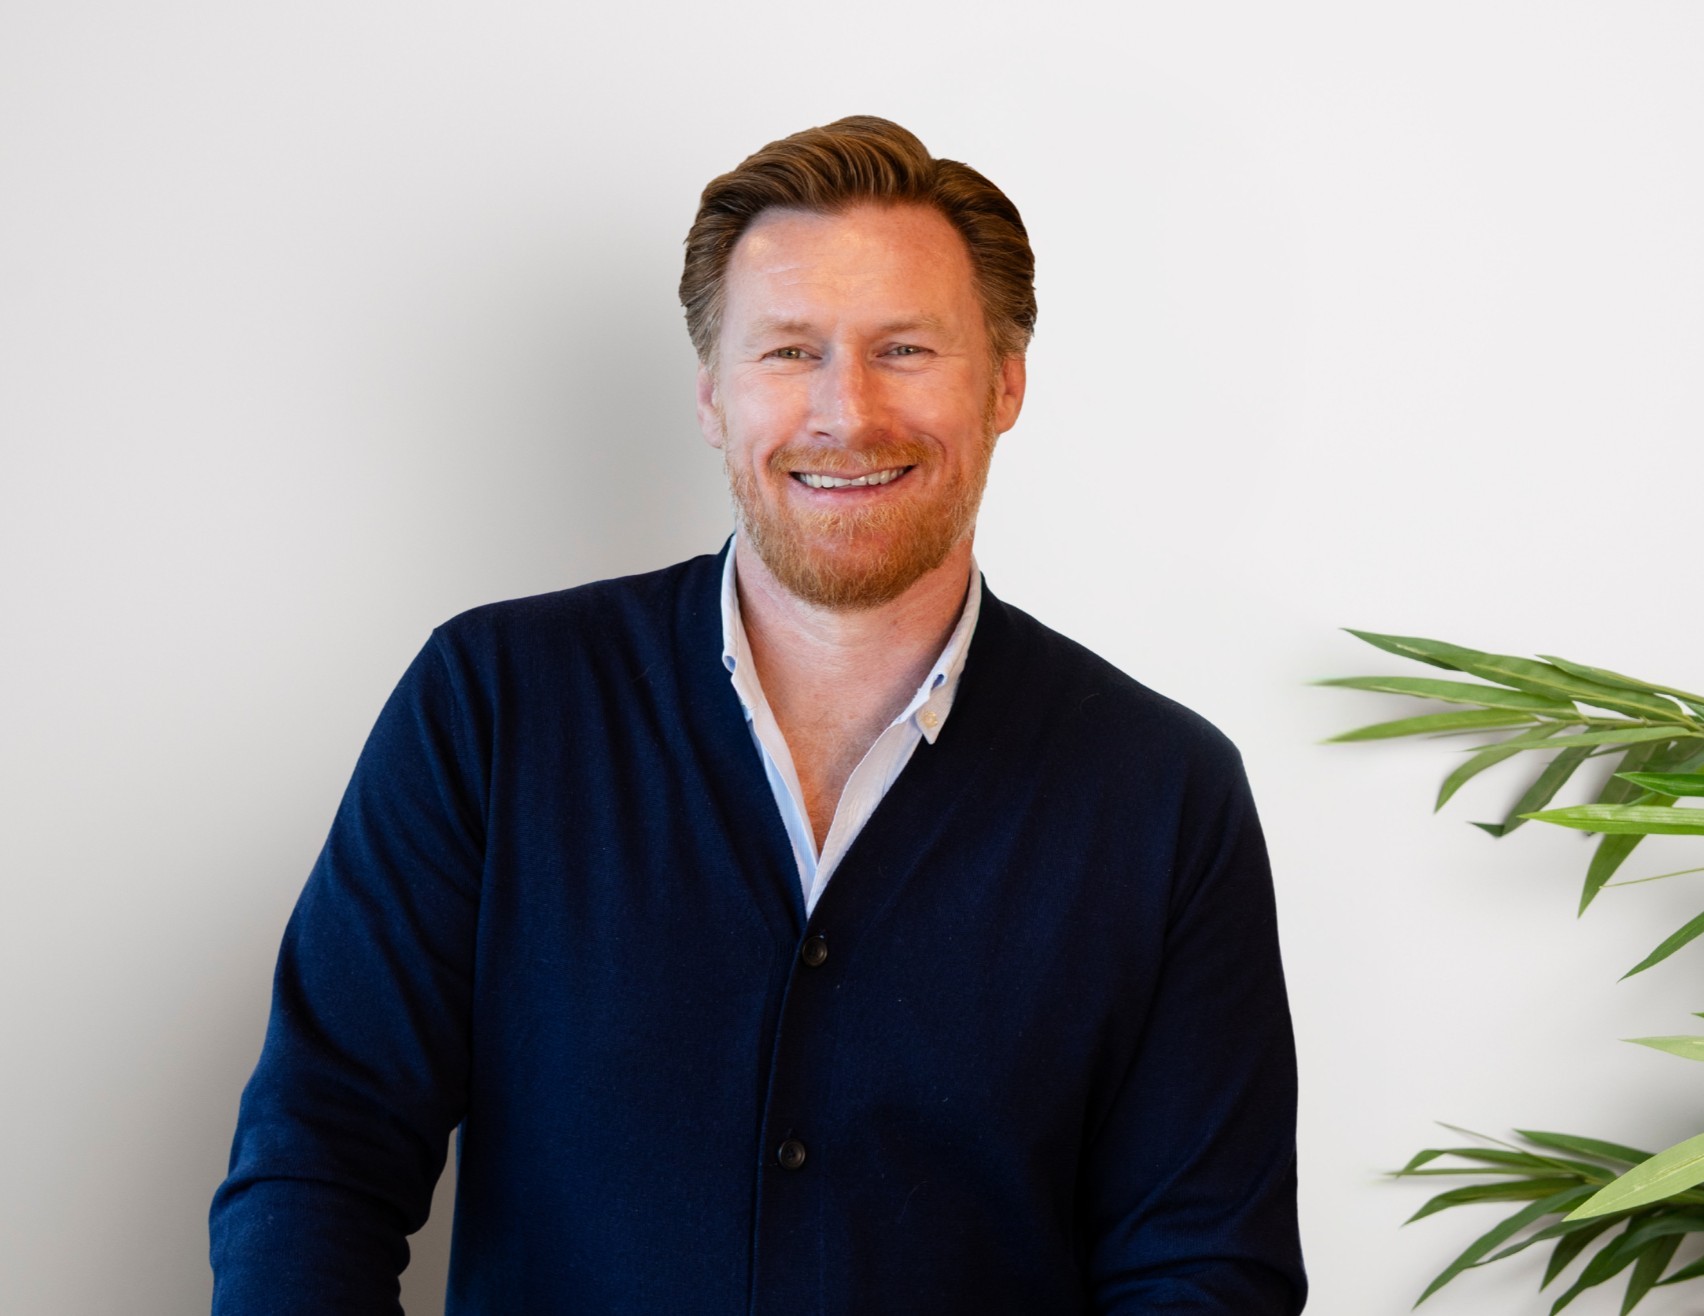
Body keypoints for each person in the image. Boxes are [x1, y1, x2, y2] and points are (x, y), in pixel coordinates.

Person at [210, 115, 1306, 1314]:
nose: (848, 411)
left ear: (1005, 384)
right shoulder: (493, 706)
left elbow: (1204, 1269)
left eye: (905, 349)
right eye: (789, 351)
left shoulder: (1164, 795)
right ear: (712, 394)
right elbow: (319, 1159)